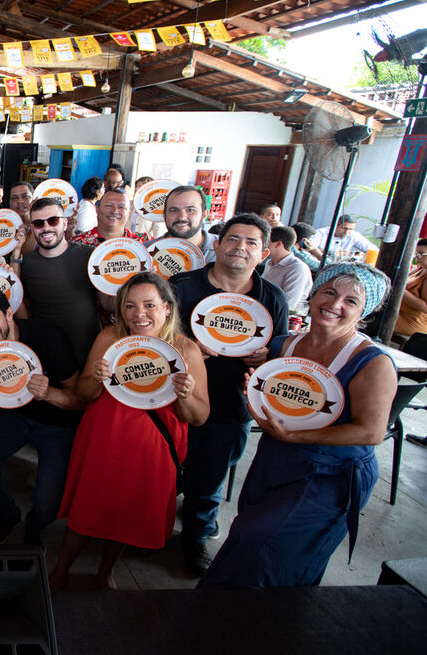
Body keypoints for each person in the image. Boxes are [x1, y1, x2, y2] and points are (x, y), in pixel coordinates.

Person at [200, 263, 396, 588]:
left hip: (330, 475)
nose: (335, 304)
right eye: (330, 292)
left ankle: (214, 619)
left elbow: (371, 431)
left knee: (258, 542)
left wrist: (294, 435)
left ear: (365, 311)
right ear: (314, 293)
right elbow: (276, 395)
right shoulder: (283, 346)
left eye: (351, 301)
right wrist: (256, 390)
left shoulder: (372, 362)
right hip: (275, 459)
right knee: (256, 537)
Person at [49, 273, 209, 589]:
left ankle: (106, 570)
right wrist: (95, 377)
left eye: (149, 305)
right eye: (130, 306)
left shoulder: (186, 350)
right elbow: (83, 394)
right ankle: (61, 569)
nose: (139, 314)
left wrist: (186, 393)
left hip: (152, 449)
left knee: (129, 514)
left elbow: (200, 416)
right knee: (87, 508)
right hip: (104, 439)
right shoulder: (109, 338)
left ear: (166, 308)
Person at [169, 212, 289, 575]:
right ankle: (150, 532)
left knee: (208, 482)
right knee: (164, 474)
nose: (241, 247)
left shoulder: (273, 298)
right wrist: (187, 347)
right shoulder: (182, 285)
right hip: (175, 400)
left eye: (252, 242)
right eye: (233, 239)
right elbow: (151, 334)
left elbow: (280, 355)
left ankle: (195, 539)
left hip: (230, 405)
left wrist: (269, 355)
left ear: (264, 252)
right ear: (217, 244)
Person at [0, 287, 83, 545]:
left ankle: (34, 526)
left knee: (46, 504)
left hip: (59, 423)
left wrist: (49, 393)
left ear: (9, 313)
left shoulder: (48, 337)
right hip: (17, 418)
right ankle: (9, 514)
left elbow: (80, 400)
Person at [13, 197, 100, 364]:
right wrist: (16, 253)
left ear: (65, 223)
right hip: (47, 360)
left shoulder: (90, 256)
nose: (46, 228)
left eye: (53, 221)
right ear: (32, 228)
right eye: (39, 223)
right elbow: (18, 300)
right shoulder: (27, 263)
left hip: (87, 357)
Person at [151, 185, 218, 263]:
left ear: (204, 214)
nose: (182, 217)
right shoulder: (145, 252)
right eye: (174, 210)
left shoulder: (225, 250)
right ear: (164, 215)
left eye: (190, 210)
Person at [71, 188, 148, 247]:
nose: (114, 211)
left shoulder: (142, 243)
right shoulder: (78, 244)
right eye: (109, 205)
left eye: (121, 207)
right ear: (97, 209)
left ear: (128, 214)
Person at [264, 225, 313, 314]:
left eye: (266, 241)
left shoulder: (298, 268)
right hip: (266, 310)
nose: (262, 245)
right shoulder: (270, 262)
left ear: (278, 244)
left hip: (287, 317)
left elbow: (289, 304)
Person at [394, 238, 427, 339]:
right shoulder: (421, 269)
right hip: (400, 312)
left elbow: (425, 307)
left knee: (375, 317)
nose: (418, 258)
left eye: (422, 254)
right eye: (417, 254)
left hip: (412, 320)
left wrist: (400, 290)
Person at [9, 180, 36, 255]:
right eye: (14, 198)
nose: (20, 201)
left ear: (33, 199)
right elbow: (24, 256)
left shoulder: (47, 223)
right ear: (9, 203)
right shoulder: (6, 227)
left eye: (25, 197)